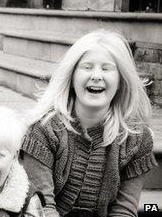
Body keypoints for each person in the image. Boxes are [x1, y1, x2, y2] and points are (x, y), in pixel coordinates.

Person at [21, 29, 158, 216]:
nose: (96, 75)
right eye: (87, 67)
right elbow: (42, 207)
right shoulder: (44, 129)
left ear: (121, 80)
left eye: (106, 68)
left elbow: (124, 211)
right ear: (71, 77)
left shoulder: (136, 139)